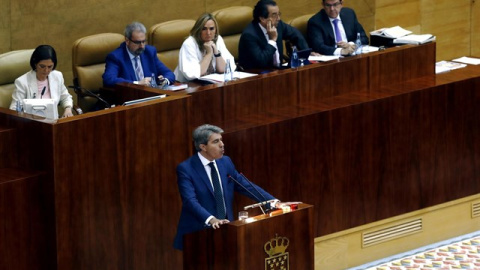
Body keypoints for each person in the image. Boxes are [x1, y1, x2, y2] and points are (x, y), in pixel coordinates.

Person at [173, 124, 279, 250]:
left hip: (227, 230)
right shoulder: (186, 169)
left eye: (221, 140)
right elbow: (190, 201)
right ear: (203, 147)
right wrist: (212, 220)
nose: (222, 144)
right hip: (198, 234)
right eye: (216, 141)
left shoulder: (225, 162)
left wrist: (273, 202)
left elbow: (245, 185)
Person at [238, 0, 310, 70]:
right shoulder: (249, 35)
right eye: (274, 15)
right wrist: (272, 40)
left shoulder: (278, 25)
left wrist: (307, 53)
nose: (278, 18)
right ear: (262, 18)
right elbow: (261, 61)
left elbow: (295, 34)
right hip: (258, 75)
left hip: (278, 71)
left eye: (279, 14)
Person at [103, 22, 175, 87]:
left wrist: (164, 81)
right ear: (127, 41)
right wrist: (137, 83)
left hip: (151, 95)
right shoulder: (116, 57)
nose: (142, 46)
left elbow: (169, 73)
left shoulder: (149, 52)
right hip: (129, 97)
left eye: (144, 41)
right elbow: (109, 79)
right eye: (137, 43)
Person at [9, 45, 73, 118]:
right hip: (31, 123)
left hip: (53, 122)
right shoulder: (22, 82)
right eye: (42, 66)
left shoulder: (57, 76)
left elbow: (65, 97)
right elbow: (14, 109)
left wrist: (68, 109)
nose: (46, 70)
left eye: (50, 67)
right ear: (35, 63)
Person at [174, 13, 236, 82]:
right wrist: (209, 54)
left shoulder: (218, 39)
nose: (208, 33)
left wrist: (216, 52)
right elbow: (193, 74)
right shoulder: (189, 43)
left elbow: (225, 69)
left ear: (216, 30)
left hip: (210, 84)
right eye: (204, 29)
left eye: (211, 29)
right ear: (198, 30)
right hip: (187, 86)